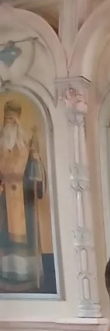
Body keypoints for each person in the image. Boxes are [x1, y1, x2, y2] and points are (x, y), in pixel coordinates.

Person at [0, 98, 46, 292]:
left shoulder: (27, 141)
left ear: (18, 121)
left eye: (12, 119)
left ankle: (27, 276)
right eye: (6, 120)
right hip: (3, 199)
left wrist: (35, 161)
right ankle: (5, 277)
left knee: (25, 241)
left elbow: (36, 173)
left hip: (24, 200)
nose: (9, 123)